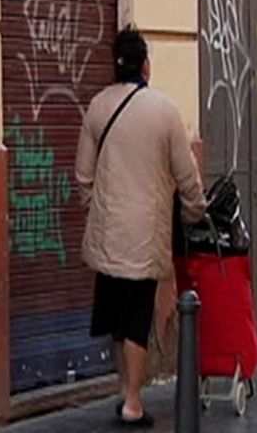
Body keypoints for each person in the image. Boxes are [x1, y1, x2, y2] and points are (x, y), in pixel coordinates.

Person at [76, 25, 207, 427]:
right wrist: (194, 212)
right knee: (136, 319)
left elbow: (84, 176)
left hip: (109, 234)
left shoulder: (98, 107)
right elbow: (187, 177)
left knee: (115, 318)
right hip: (145, 235)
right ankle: (134, 402)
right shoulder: (164, 111)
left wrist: (97, 211)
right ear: (145, 65)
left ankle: (124, 391)